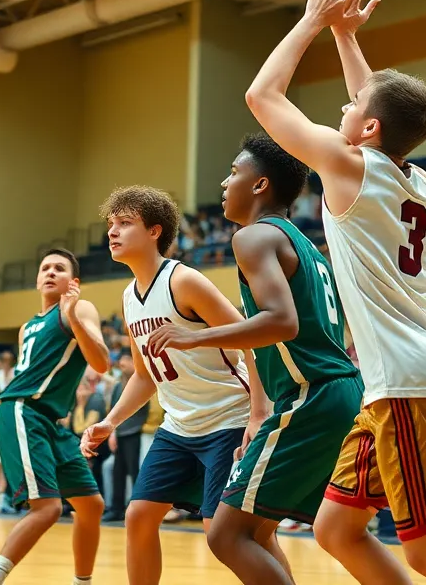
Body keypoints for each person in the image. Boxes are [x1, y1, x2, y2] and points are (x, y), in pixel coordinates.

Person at [245, 0, 426, 585]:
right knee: (335, 528)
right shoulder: (421, 184)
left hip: (411, 381)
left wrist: (313, 20)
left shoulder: (346, 166)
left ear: (369, 129)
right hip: (405, 379)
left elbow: (261, 97)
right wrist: (346, 38)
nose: (345, 107)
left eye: (352, 107)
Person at [147, 133, 365, 585]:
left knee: (226, 535)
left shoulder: (252, 237)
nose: (225, 183)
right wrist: (261, 412)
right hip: (333, 391)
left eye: (233, 172)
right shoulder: (302, 243)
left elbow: (281, 322)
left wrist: (194, 338)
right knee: (262, 528)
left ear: (261, 184)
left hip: (312, 393)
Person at [80, 185, 272, 585]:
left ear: (154, 231)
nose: (112, 232)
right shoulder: (129, 298)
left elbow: (251, 338)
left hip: (228, 421)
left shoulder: (185, 281)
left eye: (125, 223)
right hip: (178, 428)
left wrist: (258, 411)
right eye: (111, 224)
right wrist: (110, 422)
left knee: (225, 534)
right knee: (138, 516)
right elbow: (145, 374)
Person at [0, 249, 109, 585]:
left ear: (73, 282)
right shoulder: (26, 327)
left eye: (59, 268)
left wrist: (73, 318)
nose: (50, 272)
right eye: (45, 268)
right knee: (48, 508)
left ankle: (83, 581)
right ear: (38, 279)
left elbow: (101, 362)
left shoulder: (79, 308)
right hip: (22, 409)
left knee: (91, 505)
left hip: (48, 420)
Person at [103, 352, 146, 522]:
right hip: (120, 433)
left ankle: (136, 510)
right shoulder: (117, 385)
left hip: (136, 432)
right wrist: (112, 433)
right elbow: (113, 410)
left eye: (127, 360)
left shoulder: (143, 381)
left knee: (135, 472)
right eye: (121, 361)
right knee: (117, 472)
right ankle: (116, 508)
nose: (122, 363)